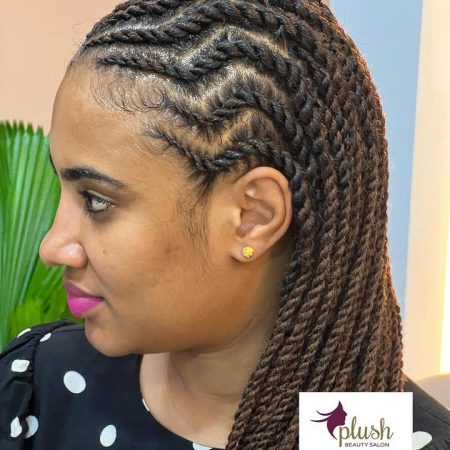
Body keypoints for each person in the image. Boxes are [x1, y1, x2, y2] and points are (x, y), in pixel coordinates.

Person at [0, 0, 449, 449]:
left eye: (96, 201)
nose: (52, 246)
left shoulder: (378, 438)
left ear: (254, 217)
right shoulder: (36, 389)